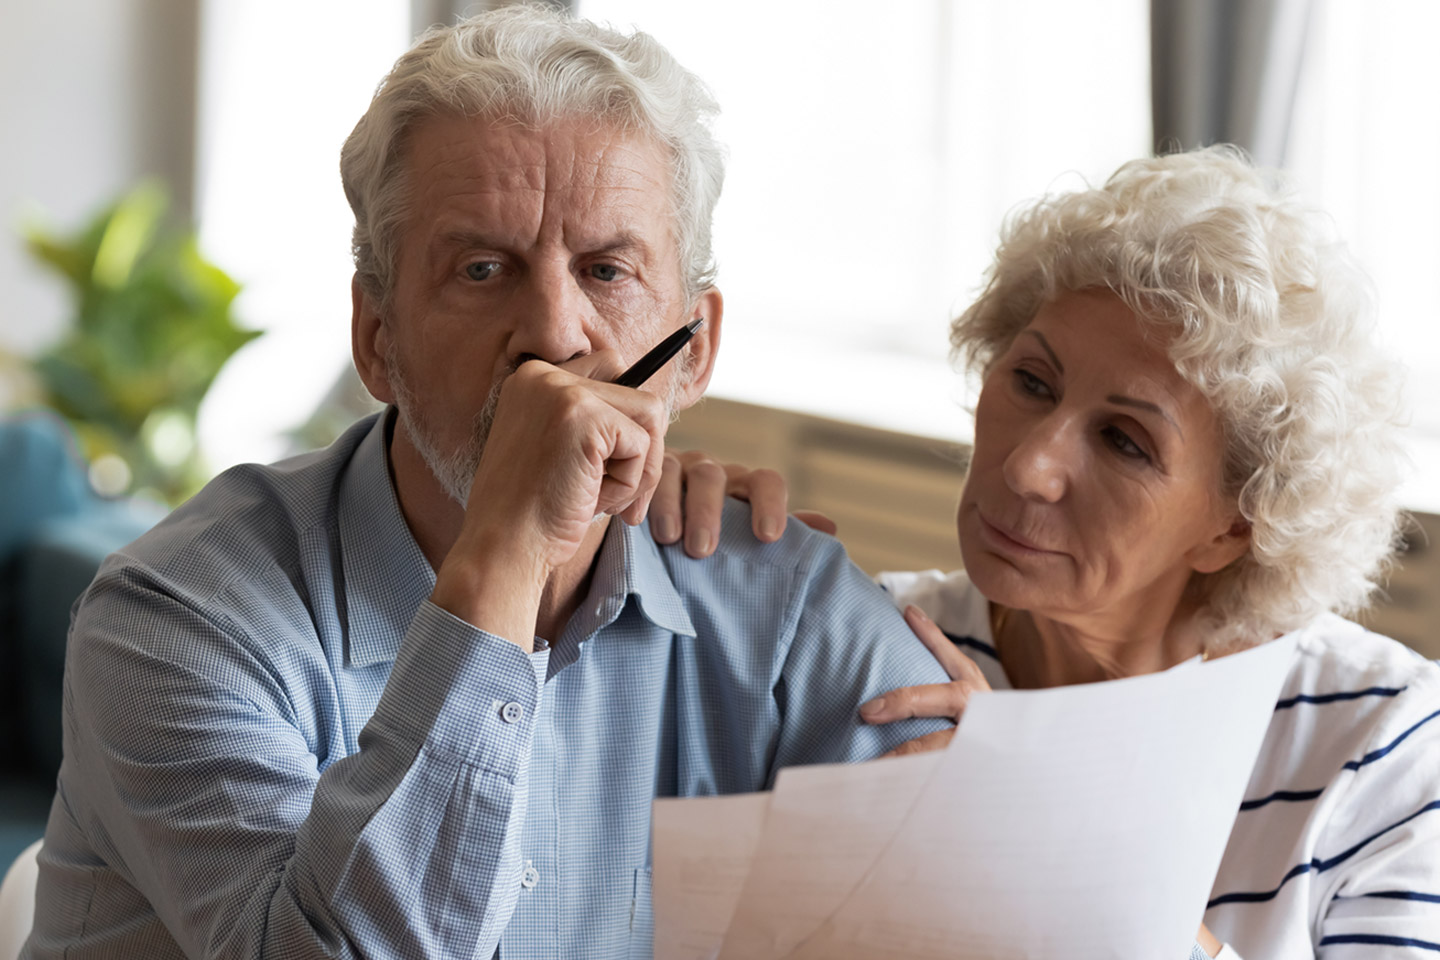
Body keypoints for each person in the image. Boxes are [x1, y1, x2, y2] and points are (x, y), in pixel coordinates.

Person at [22, 9, 952, 959]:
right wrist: (508, 548)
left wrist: (1010, 788)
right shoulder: (177, 616)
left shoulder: (784, 602)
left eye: (607, 269)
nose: (553, 334)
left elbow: (973, 901)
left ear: (694, 351)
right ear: (377, 341)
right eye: (481, 268)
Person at [661, 146, 1440, 958]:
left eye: (1124, 442)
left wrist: (1064, 846)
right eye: (1032, 381)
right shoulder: (870, 644)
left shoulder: (1382, 740)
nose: (1029, 465)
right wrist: (667, 528)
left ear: (1234, 527)